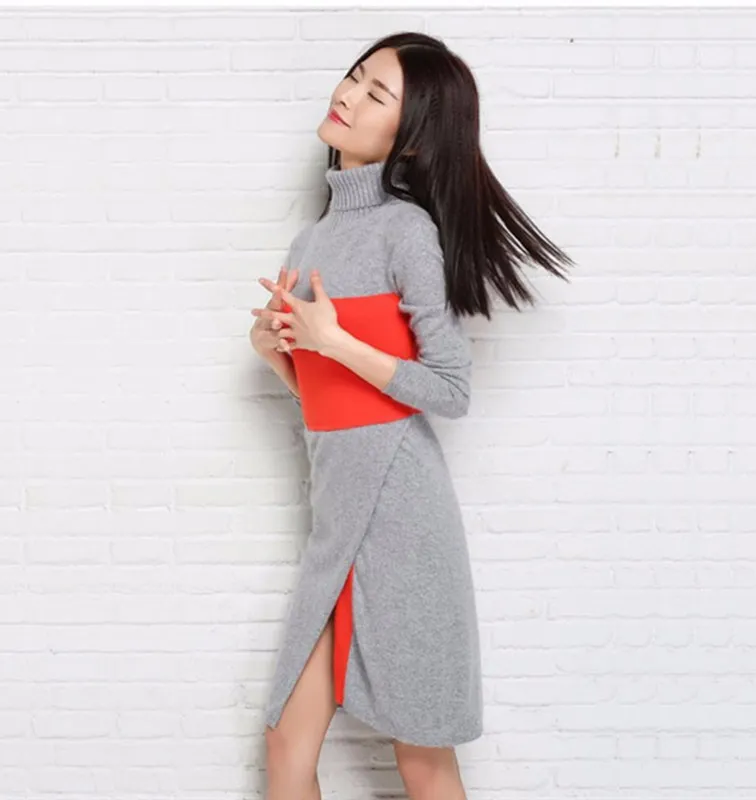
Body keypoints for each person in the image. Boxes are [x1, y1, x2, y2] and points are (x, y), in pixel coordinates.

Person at [248, 31, 573, 800]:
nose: (348, 95)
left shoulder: (406, 231)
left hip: (403, 517)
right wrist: (279, 357)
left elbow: (451, 389)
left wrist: (334, 340)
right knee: (286, 742)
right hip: (337, 522)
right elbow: (335, 407)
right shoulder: (311, 239)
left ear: (413, 138)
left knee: (421, 757)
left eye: (376, 93)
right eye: (355, 77)